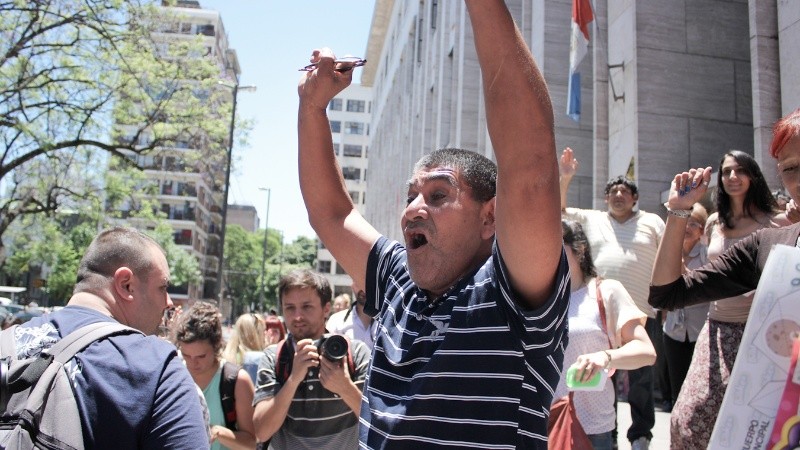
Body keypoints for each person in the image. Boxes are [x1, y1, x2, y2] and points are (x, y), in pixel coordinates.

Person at [296, 0, 570, 447]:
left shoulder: (511, 293)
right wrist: (311, 107)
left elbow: (530, 167)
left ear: (490, 216)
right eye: (411, 197)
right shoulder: (397, 278)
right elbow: (332, 214)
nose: (412, 211)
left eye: (438, 195)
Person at [650, 108, 800, 449]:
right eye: (791, 168)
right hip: (753, 364)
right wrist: (678, 211)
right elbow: (667, 293)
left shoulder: (773, 221)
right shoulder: (769, 244)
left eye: (740, 171)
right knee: (689, 424)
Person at [7, 226, 208, 448]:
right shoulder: (157, 369)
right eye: (162, 287)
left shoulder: (6, 344)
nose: (168, 302)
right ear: (126, 284)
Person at [560, 147, 665, 449]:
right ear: (605, 198)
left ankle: (641, 435)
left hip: (635, 310)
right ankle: (613, 438)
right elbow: (560, 213)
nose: (618, 195)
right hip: (588, 315)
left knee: (641, 381)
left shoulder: (652, 222)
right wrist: (565, 179)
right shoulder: (591, 219)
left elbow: (668, 260)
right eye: (613, 191)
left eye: (625, 191)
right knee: (602, 384)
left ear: (635, 198)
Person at [555, 220, 656, 450]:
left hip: (590, 428)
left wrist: (605, 357)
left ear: (579, 249)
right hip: (541, 423)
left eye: (556, 243)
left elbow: (646, 351)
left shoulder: (605, 291)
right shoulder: (537, 297)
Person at [252, 269, 371, 448]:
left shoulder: (355, 353)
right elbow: (261, 431)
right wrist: (293, 380)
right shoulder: (273, 357)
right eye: (290, 308)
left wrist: (345, 387)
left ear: (326, 309)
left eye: (307, 307)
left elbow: (377, 422)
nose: (297, 316)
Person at [173, 302, 257, 450]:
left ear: (216, 346)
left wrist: (217, 432)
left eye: (201, 356)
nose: (193, 363)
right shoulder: (175, 376)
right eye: (186, 355)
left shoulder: (237, 381)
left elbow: (252, 443)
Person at [661, 203, 709, 411]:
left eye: (693, 223)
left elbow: (707, 288)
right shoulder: (668, 251)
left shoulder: (707, 254)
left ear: (702, 230)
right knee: (677, 389)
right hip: (673, 330)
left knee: (700, 389)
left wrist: (683, 271)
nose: (687, 227)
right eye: (684, 222)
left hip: (701, 331)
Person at [326, 284, 376, 350]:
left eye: (367, 283)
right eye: (358, 282)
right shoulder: (336, 320)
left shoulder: (385, 321)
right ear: (352, 286)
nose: (363, 288)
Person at [223, 312, 267, 384]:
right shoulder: (258, 361)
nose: (265, 334)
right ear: (254, 335)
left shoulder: (225, 357)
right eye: (263, 331)